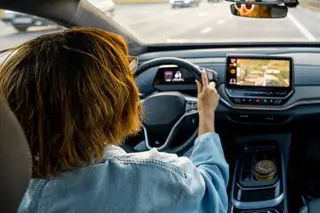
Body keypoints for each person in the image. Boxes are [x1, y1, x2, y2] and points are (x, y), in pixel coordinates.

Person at [0, 27, 228, 212]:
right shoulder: (156, 176)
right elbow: (213, 195)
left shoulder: (10, 186)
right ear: (113, 101)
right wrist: (206, 114)